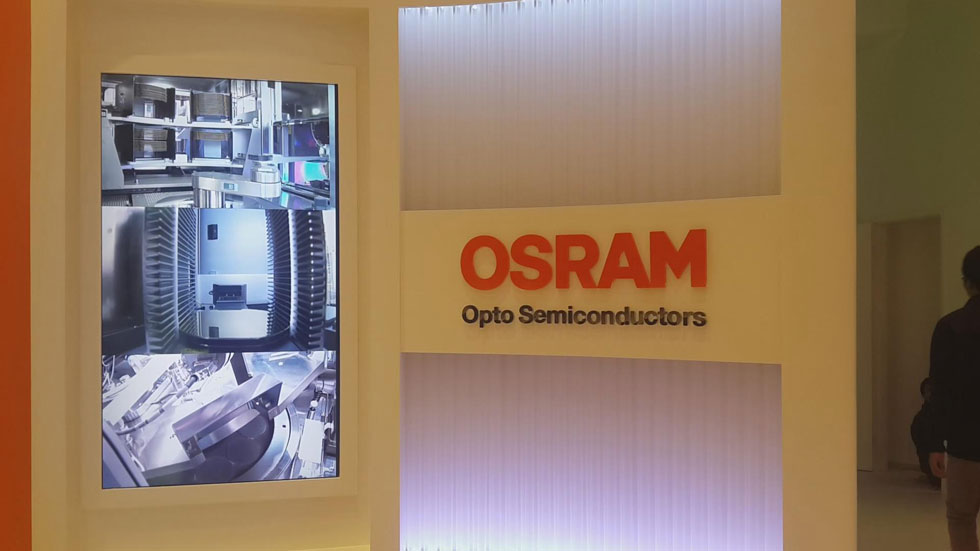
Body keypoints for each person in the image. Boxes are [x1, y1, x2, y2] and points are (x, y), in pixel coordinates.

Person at [928, 246, 980, 551]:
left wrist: (935, 443)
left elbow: (939, 390)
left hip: (965, 445)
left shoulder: (949, 327)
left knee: (961, 520)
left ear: (967, 283)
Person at [911, 377, 942, 490]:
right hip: (930, 458)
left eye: (933, 390)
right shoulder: (920, 419)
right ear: (923, 394)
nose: (931, 394)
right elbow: (919, 443)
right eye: (928, 391)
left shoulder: (945, 413)